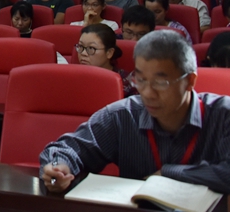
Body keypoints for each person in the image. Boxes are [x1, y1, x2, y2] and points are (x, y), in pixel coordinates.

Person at [41, 30, 230, 194]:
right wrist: (59, 167)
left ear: (189, 81)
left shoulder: (223, 115)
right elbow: (67, 148)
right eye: (140, 80)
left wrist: (169, 173)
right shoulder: (123, 115)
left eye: (160, 83)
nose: (147, 93)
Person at [75, 24, 131, 94]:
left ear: (109, 53)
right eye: (80, 46)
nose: (83, 53)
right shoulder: (72, 77)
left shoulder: (125, 83)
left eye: (91, 48)